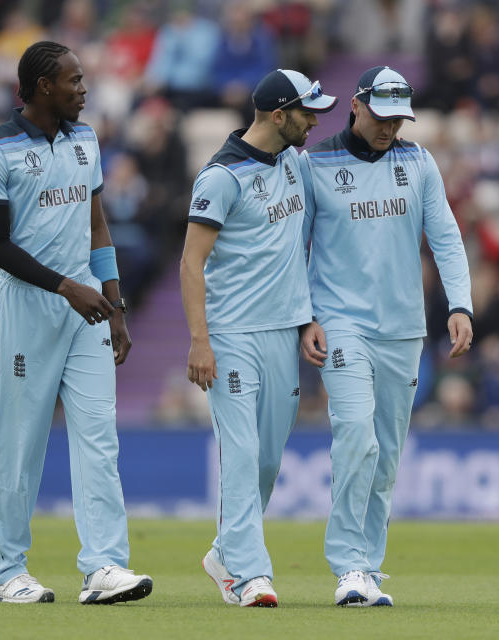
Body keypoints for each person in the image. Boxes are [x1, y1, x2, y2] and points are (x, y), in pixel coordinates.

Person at [0, 41, 152, 605]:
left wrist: (115, 304)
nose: (84, 88)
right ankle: (6, 573)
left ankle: (103, 567)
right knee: (21, 444)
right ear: (43, 87)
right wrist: (64, 286)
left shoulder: (86, 140)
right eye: (74, 80)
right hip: (30, 307)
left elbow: (98, 226)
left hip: (88, 309)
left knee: (99, 436)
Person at [298, 66, 473, 606]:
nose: (389, 128)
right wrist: (305, 317)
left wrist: (460, 304)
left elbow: (444, 234)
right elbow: (293, 249)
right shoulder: (314, 164)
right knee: (357, 434)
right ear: (356, 104)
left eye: (399, 119)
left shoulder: (417, 161)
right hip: (341, 323)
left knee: (387, 455)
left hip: (403, 328)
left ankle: (368, 568)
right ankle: (347, 565)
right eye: (381, 115)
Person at [180, 69, 337, 607]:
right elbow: (191, 263)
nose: (315, 120)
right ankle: (250, 576)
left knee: (267, 460)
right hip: (231, 335)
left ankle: (225, 550)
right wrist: (200, 341)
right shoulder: (221, 177)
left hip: (282, 333)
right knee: (243, 454)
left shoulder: (294, 161)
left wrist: (308, 316)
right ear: (277, 115)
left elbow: (296, 249)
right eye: (307, 111)